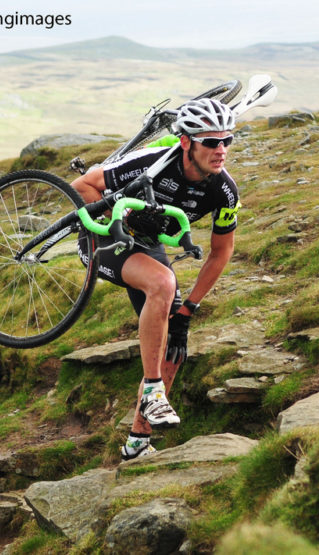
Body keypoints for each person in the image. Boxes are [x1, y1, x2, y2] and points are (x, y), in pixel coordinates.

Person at [70, 98, 241, 461]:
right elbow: (82, 186)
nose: (221, 149)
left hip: (147, 247)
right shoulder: (153, 165)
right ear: (186, 143)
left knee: (174, 344)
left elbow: (220, 252)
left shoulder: (224, 190)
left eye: (227, 140)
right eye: (211, 142)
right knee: (164, 283)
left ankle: (137, 442)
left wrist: (189, 311)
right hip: (104, 238)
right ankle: (152, 391)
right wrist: (121, 223)